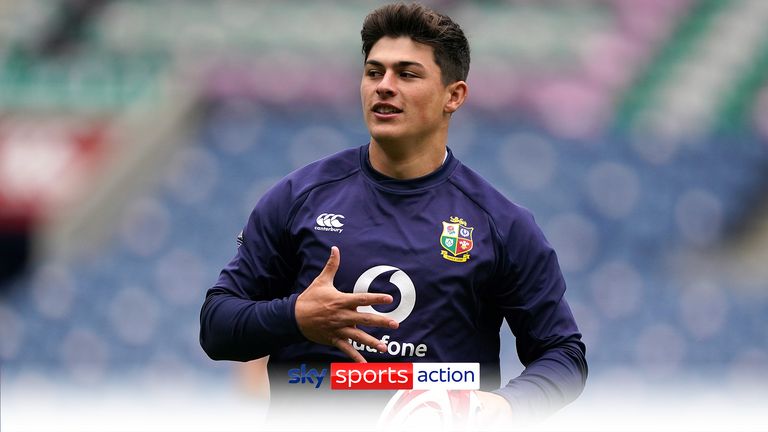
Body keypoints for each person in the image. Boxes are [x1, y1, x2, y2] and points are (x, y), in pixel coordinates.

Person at [200, 2, 587, 427]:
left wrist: (509, 404)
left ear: (453, 95)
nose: (384, 86)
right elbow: (216, 326)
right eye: (373, 72)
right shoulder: (297, 198)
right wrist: (296, 316)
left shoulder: (500, 223)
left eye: (407, 74)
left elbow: (563, 355)